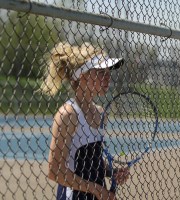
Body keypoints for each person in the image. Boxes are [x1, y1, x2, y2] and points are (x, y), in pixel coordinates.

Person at [39, 42, 130, 200]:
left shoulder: (101, 113)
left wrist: (112, 172)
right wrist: (96, 190)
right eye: (101, 72)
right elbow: (55, 171)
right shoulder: (68, 115)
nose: (108, 77)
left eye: (108, 71)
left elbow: (90, 159)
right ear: (82, 75)